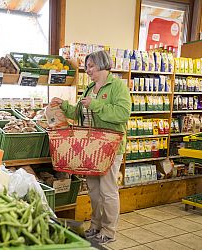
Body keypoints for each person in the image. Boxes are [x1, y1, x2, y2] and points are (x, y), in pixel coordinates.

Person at [50, 50, 131, 244]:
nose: (88, 71)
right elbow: (79, 113)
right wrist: (64, 105)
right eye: (87, 67)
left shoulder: (117, 86)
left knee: (108, 190)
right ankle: (96, 225)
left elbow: (122, 114)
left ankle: (109, 231)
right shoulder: (89, 88)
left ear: (103, 65)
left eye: (91, 66)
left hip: (110, 147)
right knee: (94, 190)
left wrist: (96, 105)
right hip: (91, 148)